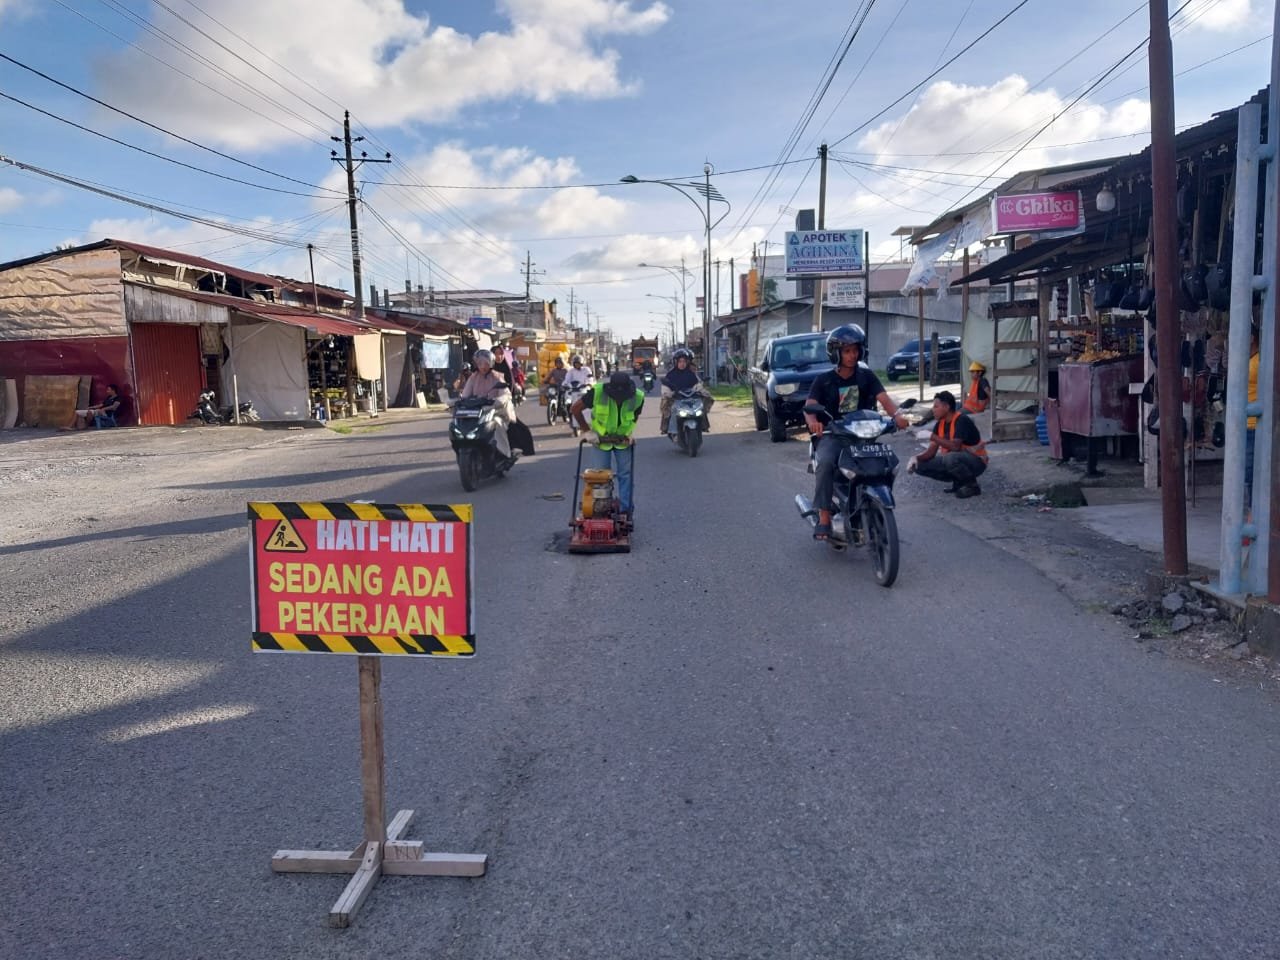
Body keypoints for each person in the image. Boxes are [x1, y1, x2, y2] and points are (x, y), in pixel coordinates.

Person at [805, 324, 910, 541]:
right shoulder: (824, 380)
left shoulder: (866, 377)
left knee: (887, 462)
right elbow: (810, 406)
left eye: (855, 350)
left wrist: (897, 416)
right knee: (825, 463)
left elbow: (884, 399)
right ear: (836, 353)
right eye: (846, 351)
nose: (852, 355)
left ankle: (875, 501)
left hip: (864, 434)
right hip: (835, 435)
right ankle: (824, 516)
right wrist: (814, 422)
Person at [571, 370, 644, 520]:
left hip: (622, 440)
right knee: (600, 477)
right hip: (600, 440)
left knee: (625, 476)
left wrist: (629, 432)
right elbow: (575, 409)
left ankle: (626, 512)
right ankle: (600, 508)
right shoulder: (597, 392)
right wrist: (587, 432)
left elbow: (635, 415)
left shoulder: (637, 396)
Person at [907, 390, 989, 498]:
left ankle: (972, 486)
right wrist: (916, 458)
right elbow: (931, 452)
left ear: (946, 407)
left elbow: (955, 447)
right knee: (919, 465)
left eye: (936, 406)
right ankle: (959, 482)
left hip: (977, 462)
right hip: (956, 459)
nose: (933, 409)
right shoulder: (939, 424)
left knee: (950, 458)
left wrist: (932, 436)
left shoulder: (961, 420)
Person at [459, 349, 516, 457]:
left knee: (497, 424)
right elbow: (466, 394)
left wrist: (498, 400)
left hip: (494, 410)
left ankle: (504, 454)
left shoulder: (497, 376)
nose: (483, 366)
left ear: (491, 364)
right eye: (480, 363)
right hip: (477, 410)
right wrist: (461, 401)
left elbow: (506, 393)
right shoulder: (473, 377)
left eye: (486, 363)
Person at [659, 347, 714, 433]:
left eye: (684, 362)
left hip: (690, 397)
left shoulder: (691, 374)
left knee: (704, 401)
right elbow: (665, 388)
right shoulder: (670, 375)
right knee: (666, 405)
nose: (682, 364)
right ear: (676, 362)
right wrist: (670, 393)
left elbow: (697, 384)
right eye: (680, 362)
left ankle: (703, 424)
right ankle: (666, 428)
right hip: (676, 398)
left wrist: (700, 390)